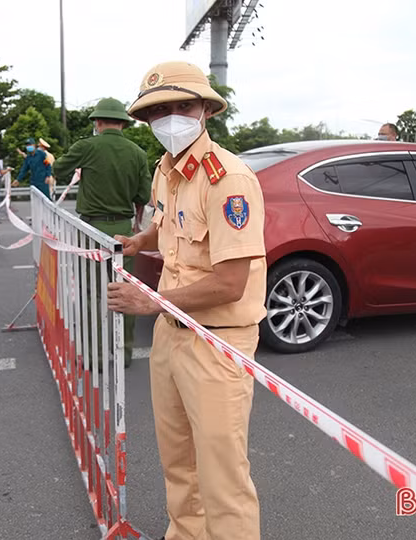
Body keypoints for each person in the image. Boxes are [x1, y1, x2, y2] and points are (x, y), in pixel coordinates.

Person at [107, 61, 266, 540]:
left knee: (223, 477)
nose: (172, 117)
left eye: (183, 105)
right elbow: (168, 224)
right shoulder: (167, 171)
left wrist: (151, 299)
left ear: (206, 112)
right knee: (178, 461)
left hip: (217, 343)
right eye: (159, 110)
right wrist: (141, 241)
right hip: (172, 338)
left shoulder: (228, 180)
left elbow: (230, 284)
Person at [53, 97, 151, 368]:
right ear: (123, 123)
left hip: (92, 229)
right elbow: (143, 194)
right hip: (124, 231)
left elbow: (58, 168)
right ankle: (125, 353)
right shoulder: (138, 153)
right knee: (124, 291)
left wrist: (84, 169)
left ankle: (94, 358)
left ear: (97, 122)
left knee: (92, 293)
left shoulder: (87, 146)